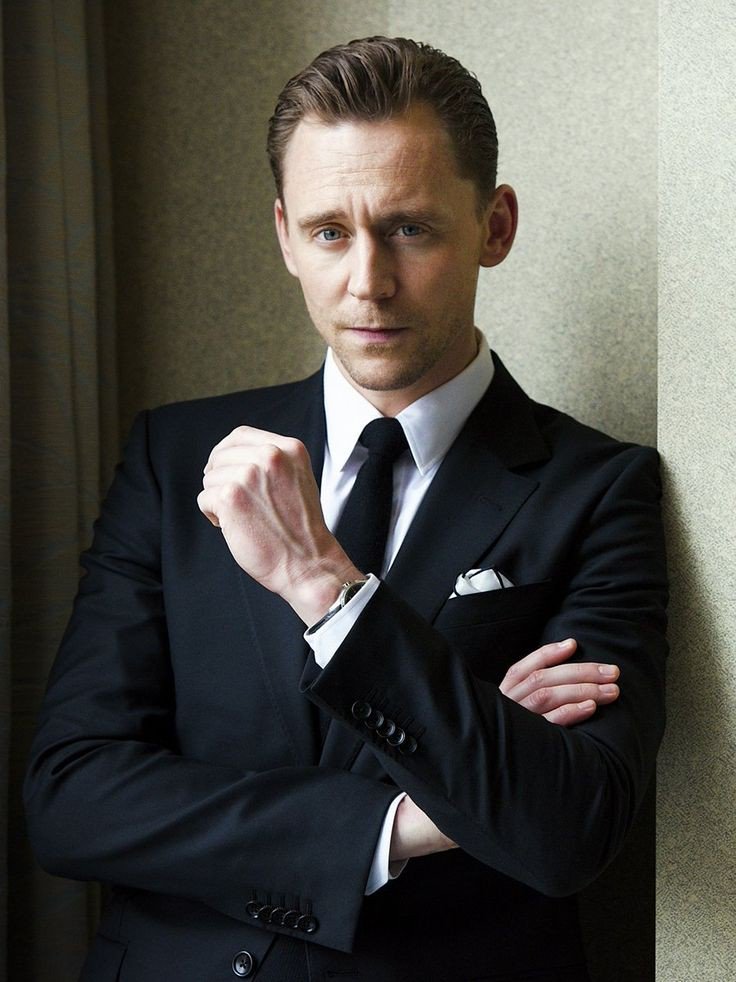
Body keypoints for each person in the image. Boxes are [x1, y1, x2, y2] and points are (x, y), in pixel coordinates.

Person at [24, 36, 667, 982]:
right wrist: (404, 821)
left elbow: (568, 825)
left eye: (409, 229)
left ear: (494, 227)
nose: (367, 281)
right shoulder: (175, 457)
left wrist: (326, 587)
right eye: (331, 232)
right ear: (285, 235)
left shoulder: (601, 489)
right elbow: (71, 799)